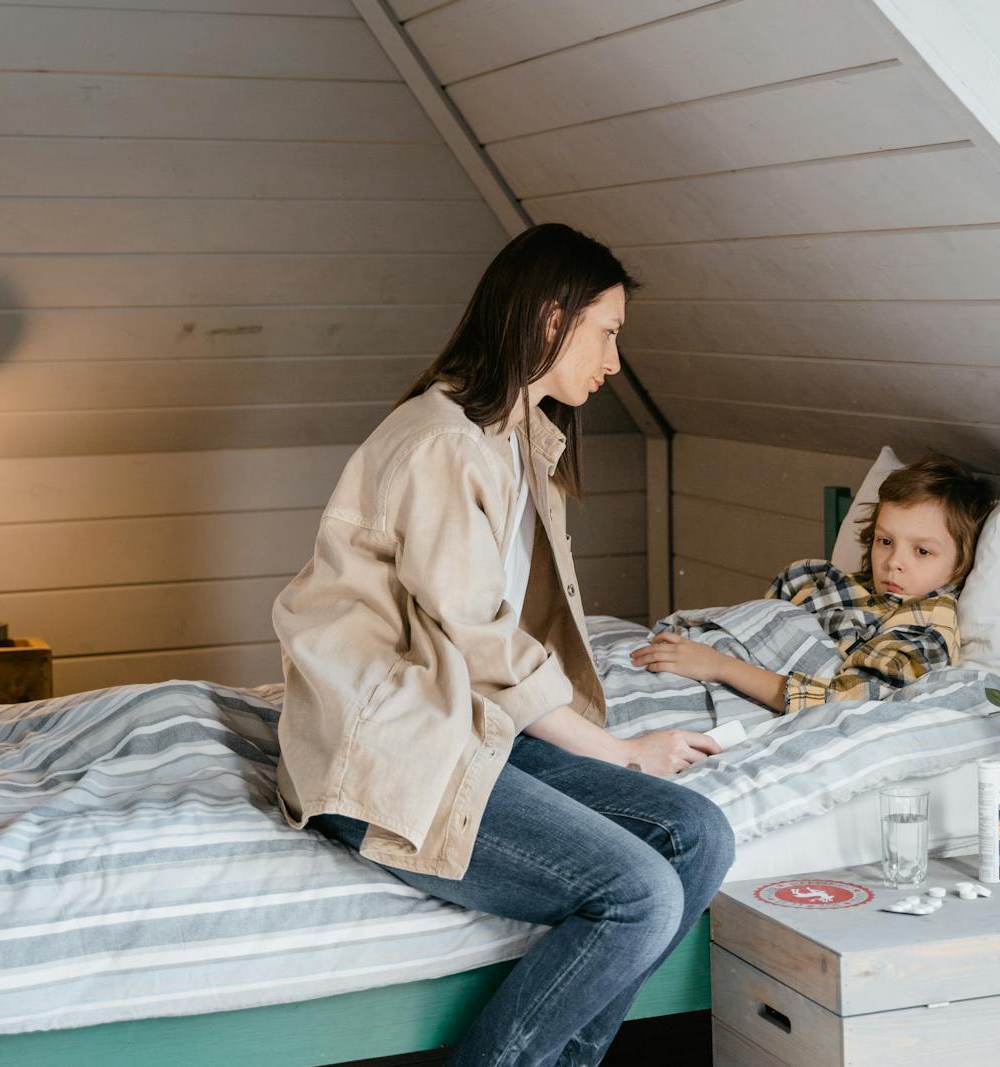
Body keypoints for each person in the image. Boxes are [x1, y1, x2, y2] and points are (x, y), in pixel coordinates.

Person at [271, 223, 734, 1067]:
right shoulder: (444, 442)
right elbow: (484, 637)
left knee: (700, 834)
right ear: (552, 319)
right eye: (609, 332)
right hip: (394, 755)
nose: (616, 361)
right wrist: (620, 754)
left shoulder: (520, 437)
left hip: (472, 733)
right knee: (637, 895)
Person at [630, 453, 996, 713]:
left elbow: (845, 700)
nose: (894, 562)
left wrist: (718, 666)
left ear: (961, 564)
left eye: (922, 551)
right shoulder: (825, 579)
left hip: (720, 684)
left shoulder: (924, 627)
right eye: (885, 541)